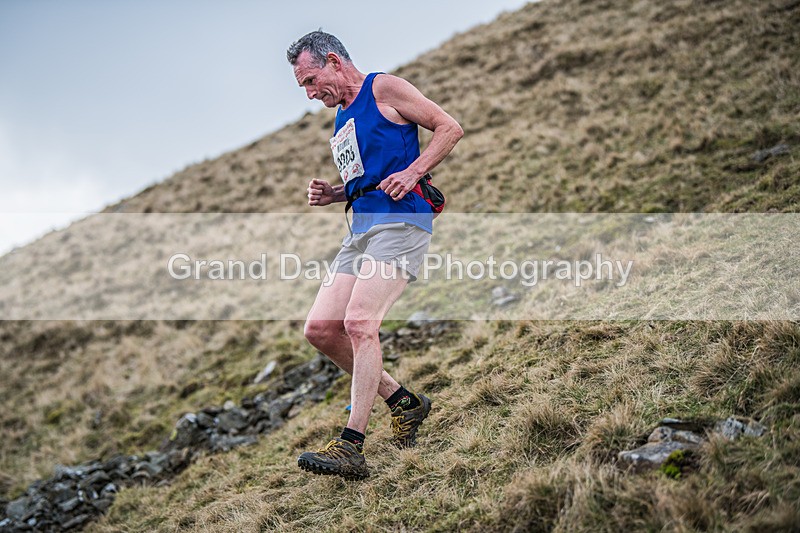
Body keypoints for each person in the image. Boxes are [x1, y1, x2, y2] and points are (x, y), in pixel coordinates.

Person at [286, 30, 463, 480]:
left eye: (310, 80)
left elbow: (449, 127)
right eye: (302, 87)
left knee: (360, 323)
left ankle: (351, 445)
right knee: (321, 329)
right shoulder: (341, 117)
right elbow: (367, 175)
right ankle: (404, 401)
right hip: (361, 230)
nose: (309, 93)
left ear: (333, 61)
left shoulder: (383, 88)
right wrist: (335, 193)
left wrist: (414, 170)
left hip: (402, 222)